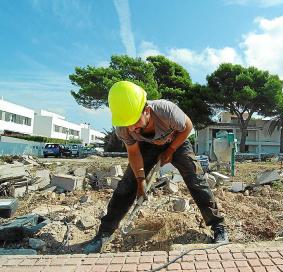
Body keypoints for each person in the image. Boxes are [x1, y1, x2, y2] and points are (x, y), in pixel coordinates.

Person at [83, 81, 228, 253]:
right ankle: (104, 233)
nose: (132, 127)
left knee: (195, 178)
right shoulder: (124, 128)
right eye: (127, 123)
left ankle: (218, 227)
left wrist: (172, 149)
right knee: (127, 185)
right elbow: (134, 153)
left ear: (147, 110)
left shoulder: (166, 110)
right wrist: (140, 180)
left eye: (135, 121)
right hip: (147, 146)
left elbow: (187, 126)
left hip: (177, 141)